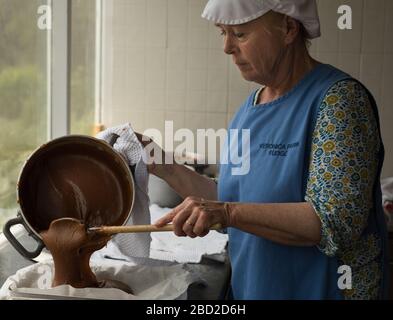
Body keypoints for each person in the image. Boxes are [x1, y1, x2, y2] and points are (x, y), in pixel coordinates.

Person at [138, 0, 389, 300]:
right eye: (223, 33)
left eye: (240, 34)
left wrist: (228, 212)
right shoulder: (251, 107)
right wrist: (164, 165)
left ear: (288, 29)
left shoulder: (338, 102)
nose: (227, 47)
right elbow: (232, 200)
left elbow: (333, 222)